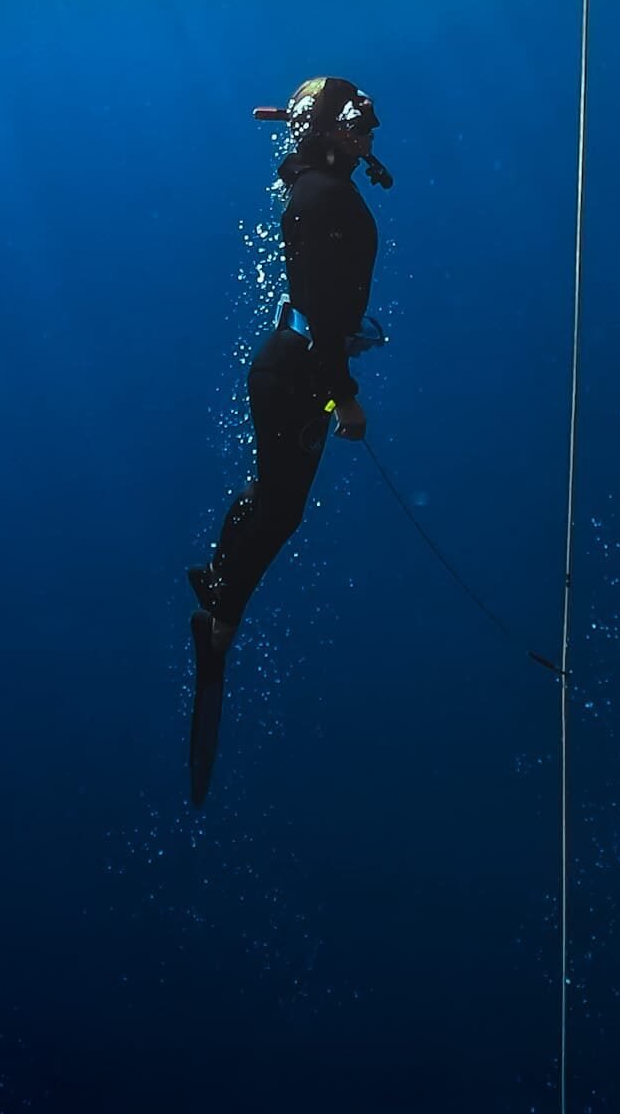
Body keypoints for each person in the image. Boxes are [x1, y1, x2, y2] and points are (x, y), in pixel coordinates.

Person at [186, 75, 392, 805]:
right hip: (299, 375)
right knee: (280, 509)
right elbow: (313, 302)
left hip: (294, 370)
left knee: (275, 501)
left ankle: (218, 590)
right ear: (333, 132)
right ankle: (219, 618)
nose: (373, 130)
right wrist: (346, 397)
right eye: (362, 120)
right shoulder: (320, 196)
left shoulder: (317, 187)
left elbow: (323, 303)